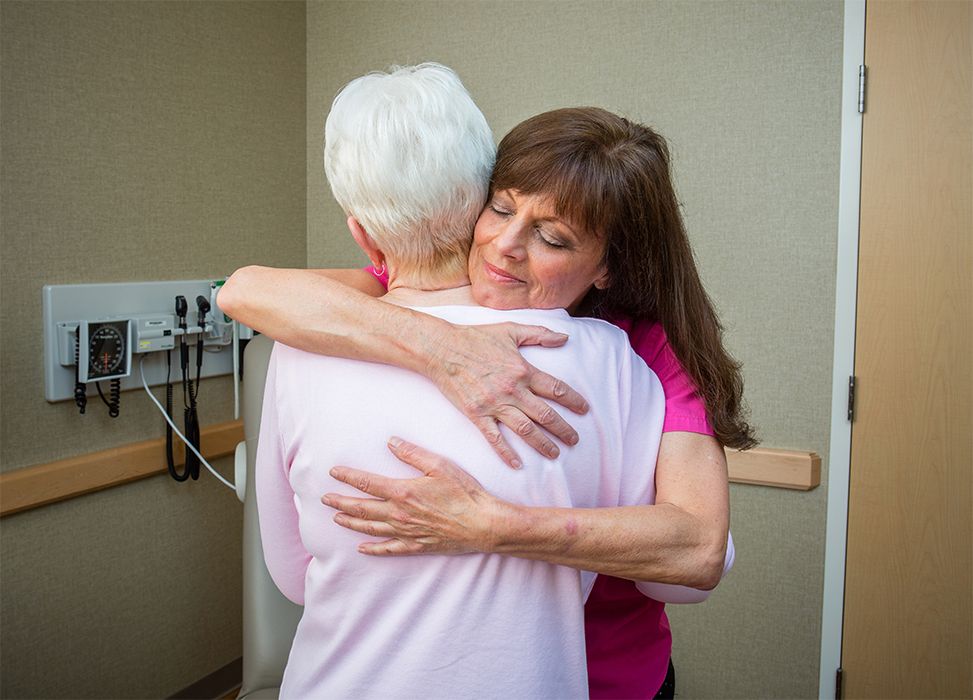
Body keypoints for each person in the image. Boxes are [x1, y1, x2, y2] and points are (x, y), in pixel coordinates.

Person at [224, 93, 753, 700]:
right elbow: (248, 292)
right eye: (498, 208)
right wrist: (440, 347)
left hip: (602, 672)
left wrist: (494, 526)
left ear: (609, 266)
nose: (504, 245)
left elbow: (696, 555)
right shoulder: (415, 296)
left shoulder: (640, 356)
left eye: (552, 238)